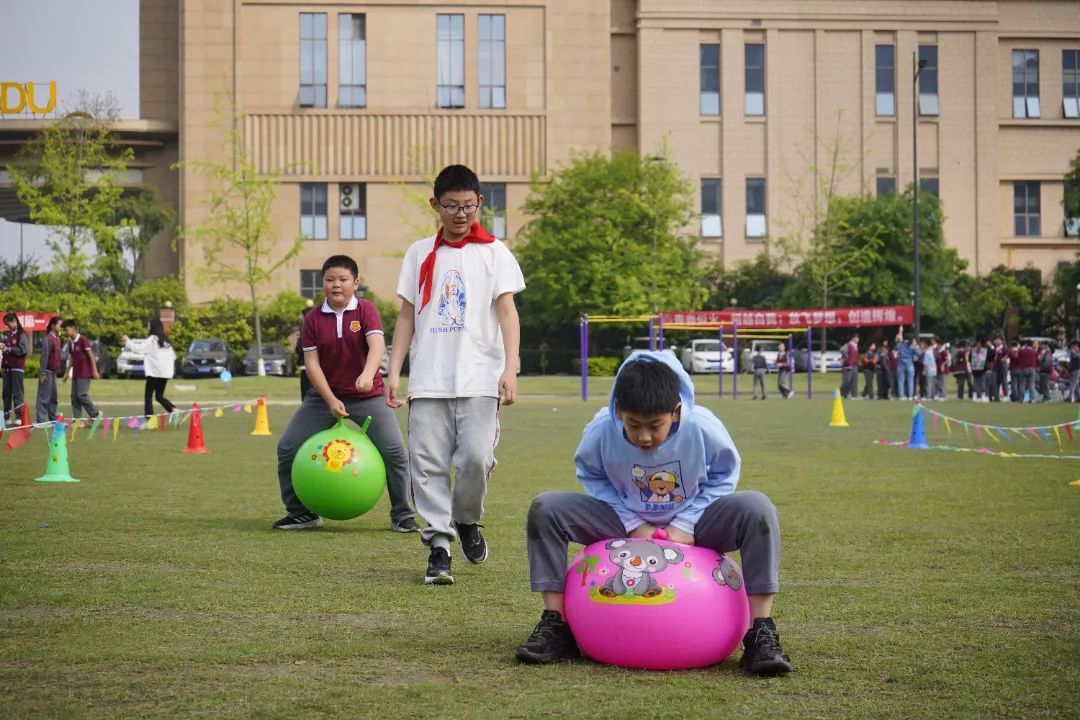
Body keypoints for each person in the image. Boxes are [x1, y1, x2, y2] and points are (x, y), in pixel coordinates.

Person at [514, 353, 792, 675]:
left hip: (697, 520)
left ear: (675, 412)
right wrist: (632, 523)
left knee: (757, 508)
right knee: (546, 508)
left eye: (654, 426)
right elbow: (590, 474)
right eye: (633, 425)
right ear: (619, 410)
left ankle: (760, 631)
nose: (644, 437)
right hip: (622, 519)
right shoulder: (601, 429)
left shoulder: (702, 426)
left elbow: (725, 474)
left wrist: (686, 523)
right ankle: (556, 625)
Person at [387, 164, 525, 585]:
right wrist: (394, 370)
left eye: (468, 206)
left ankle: (466, 519)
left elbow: (507, 311)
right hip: (429, 379)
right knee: (425, 465)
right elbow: (407, 315)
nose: (461, 214)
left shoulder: (495, 252)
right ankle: (440, 547)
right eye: (451, 206)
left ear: (479, 203)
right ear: (435, 205)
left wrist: (511, 368)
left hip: (480, 378)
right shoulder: (418, 253)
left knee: (475, 458)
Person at [274, 255, 418, 534]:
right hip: (323, 398)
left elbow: (377, 346)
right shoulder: (313, 319)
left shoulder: (366, 310)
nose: (336, 285)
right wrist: (329, 400)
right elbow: (312, 364)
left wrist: (367, 374)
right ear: (323, 283)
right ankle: (300, 513)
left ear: (355, 283)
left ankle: (402, 514)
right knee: (287, 448)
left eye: (342, 280)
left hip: (368, 396)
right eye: (329, 280)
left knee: (396, 453)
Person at [122, 318, 178, 417]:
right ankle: (173, 409)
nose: (147, 327)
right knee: (159, 396)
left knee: (148, 397)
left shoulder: (152, 339)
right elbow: (173, 357)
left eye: (148, 325)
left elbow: (138, 348)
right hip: (165, 373)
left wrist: (127, 341)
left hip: (154, 372)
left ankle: (150, 421)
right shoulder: (166, 341)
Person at [61, 319, 100, 419]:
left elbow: (91, 356)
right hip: (76, 374)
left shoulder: (83, 339)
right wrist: (66, 373)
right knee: (74, 397)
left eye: (66, 330)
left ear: (73, 328)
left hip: (85, 372)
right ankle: (77, 420)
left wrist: (95, 370)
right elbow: (71, 358)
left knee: (81, 395)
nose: (65, 332)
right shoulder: (71, 343)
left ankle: (95, 415)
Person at [2, 312, 30, 424]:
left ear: (14, 321)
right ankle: (6, 417)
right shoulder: (9, 334)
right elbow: (8, 346)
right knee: (6, 393)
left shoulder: (22, 334)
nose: (7, 326)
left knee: (17, 393)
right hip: (6, 368)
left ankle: (19, 417)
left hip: (17, 368)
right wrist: (4, 346)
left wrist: (9, 349)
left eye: (8, 323)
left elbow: (23, 350)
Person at [35, 316, 62, 423]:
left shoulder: (57, 339)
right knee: (44, 397)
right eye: (60, 325)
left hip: (54, 373)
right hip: (47, 372)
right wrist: (42, 373)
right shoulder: (48, 339)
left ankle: (52, 418)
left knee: (53, 398)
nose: (61, 327)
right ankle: (40, 420)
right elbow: (44, 357)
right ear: (53, 325)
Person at [295, 306, 314, 400]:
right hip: (311, 367)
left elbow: (298, 349)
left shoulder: (308, 331)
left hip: (309, 368)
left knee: (307, 396)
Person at [895, 328, 915, 401]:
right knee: (910, 380)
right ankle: (910, 396)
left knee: (901, 380)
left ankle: (901, 395)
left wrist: (900, 331)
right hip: (909, 363)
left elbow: (897, 341)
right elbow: (919, 353)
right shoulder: (912, 346)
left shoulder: (900, 345)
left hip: (901, 364)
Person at [840, 332, 859, 399]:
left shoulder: (855, 346)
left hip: (855, 365)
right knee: (847, 381)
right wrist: (847, 358)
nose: (857, 339)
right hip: (849, 366)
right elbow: (842, 349)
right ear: (853, 338)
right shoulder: (849, 344)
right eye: (856, 338)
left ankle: (854, 395)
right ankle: (842, 393)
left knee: (854, 381)